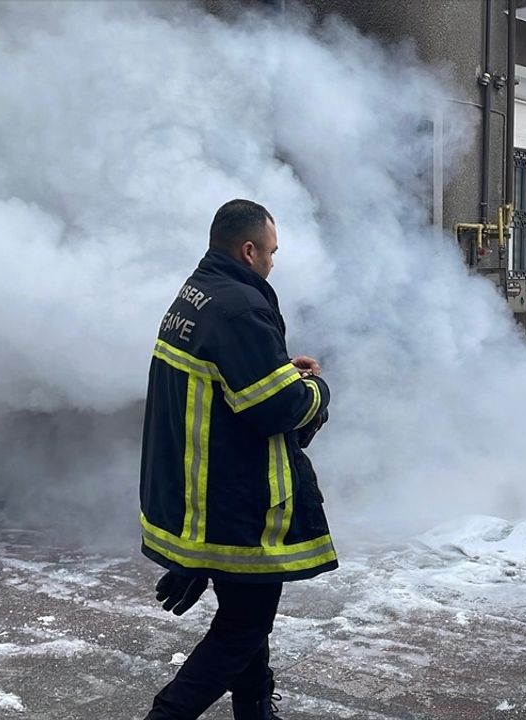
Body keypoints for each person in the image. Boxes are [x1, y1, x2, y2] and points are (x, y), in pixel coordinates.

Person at [139, 199, 335, 720]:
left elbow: (231, 380)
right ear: (248, 250)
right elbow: (278, 409)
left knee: (244, 611)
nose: (274, 261)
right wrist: (314, 389)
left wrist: (274, 368)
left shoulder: (198, 294)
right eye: (271, 252)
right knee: (244, 625)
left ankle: (254, 709)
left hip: (202, 492)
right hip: (236, 502)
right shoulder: (240, 308)